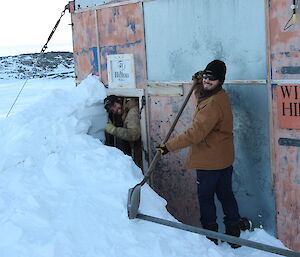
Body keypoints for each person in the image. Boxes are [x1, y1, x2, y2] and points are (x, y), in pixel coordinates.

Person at [156, 60, 242, 247]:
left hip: (209, 161)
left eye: (212, 78)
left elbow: (195, 133)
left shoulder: (212, 104)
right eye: (205, 76)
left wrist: (168, 147)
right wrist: (197, 85)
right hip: (223, 158)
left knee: (206, 198)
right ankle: (233, 231)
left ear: (221, 80)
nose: (207, 80)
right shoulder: (219, 95)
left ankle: (210, 236)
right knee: (226, 195)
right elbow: (203, 100)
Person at [104, 95, 142, 168]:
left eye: (115, 105)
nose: (115, 110)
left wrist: (113, 130)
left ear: (120, 101)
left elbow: (134, 134)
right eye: (112, 110)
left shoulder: (132, 111)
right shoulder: (125, 111)